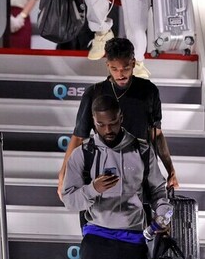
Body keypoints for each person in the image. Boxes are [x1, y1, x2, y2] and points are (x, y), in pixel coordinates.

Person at [61, 94, 172, 259]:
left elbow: (158, 191)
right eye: (101, 125)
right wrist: (93, 189)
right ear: (93, 121)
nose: (107, 130)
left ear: (121, 117)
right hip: (97, 236)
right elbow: (69, 200)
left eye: (112, 123)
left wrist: (163, 210)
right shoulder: (83, 154)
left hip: (133, 239)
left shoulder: (142, 151)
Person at [57, 38, 179, 199]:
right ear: (107, 65)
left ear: (133, 63)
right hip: (105, 172)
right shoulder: (94, 93)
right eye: (114, 69)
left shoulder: (149, 91)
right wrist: (63, 176)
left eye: (125, 68)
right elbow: (78, 137)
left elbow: (156, 135)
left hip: (141, 173)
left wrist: (170, 170)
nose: (120, 74)